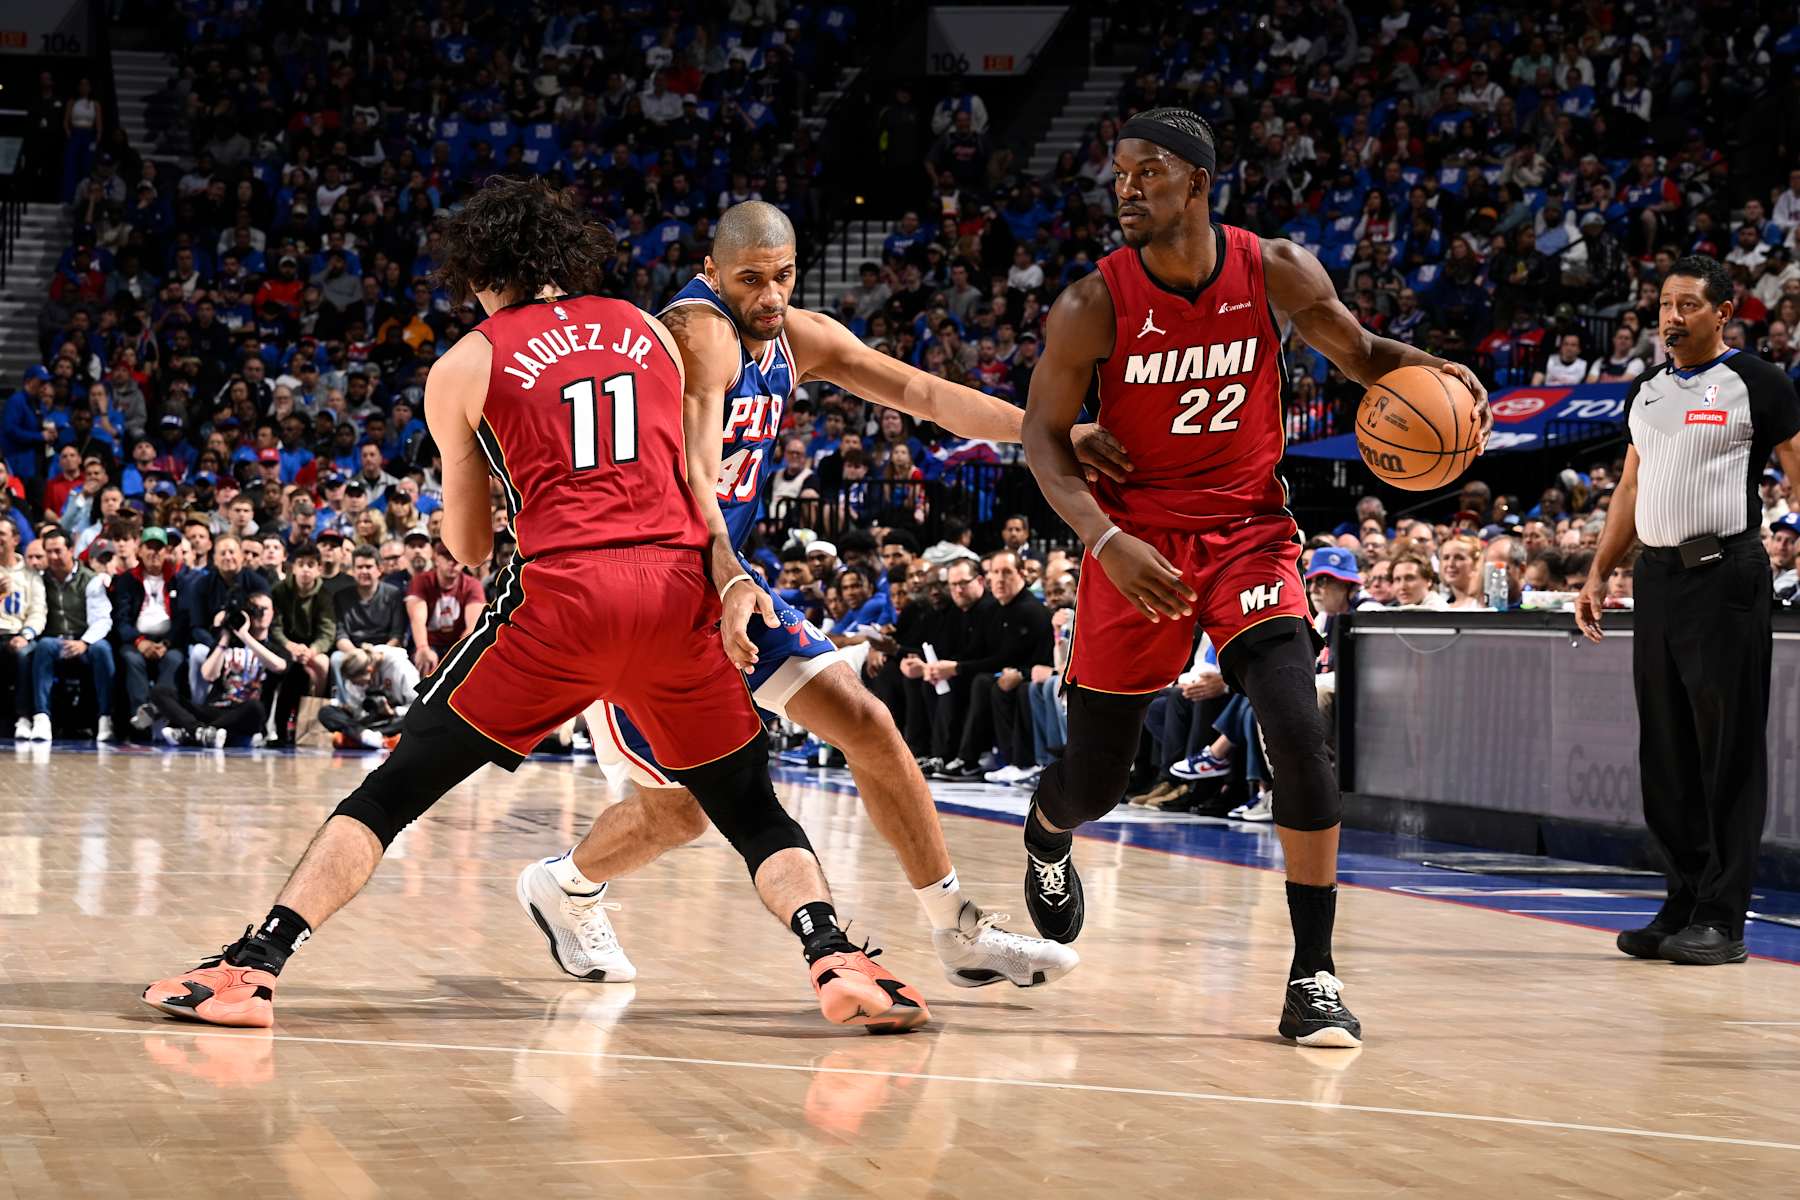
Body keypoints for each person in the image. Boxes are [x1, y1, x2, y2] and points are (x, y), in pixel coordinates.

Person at [145, 178, 930, 1034]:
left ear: (478, 273)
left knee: (390, 794)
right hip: (675, 595)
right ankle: (835, 958)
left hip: (564, 602)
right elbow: (696, 473)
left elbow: (473, 549)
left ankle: (254, 968)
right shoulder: (650, 330)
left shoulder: (467, 361)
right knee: (752, 809)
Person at [552, 201, 1124, 990]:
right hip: (641, 594)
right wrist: (728, 573)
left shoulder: (798, 337)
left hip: (727, 584)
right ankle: (566, 885)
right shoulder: (699, 332)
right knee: (683, 810)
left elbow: (920, 391)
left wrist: (1047, 434)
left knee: (868, 721)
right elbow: (693, 476)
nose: (769, 296)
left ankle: (956, 928)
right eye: (750, 279)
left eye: (782, 277)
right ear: (712, 272)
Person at [1017, 108, 1490, 1047]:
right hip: (1136, 543)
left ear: (1197, 180)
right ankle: (1045, 827)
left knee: (1299, 734)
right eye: (1118, 173)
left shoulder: (1273, 267)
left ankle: (1313, 973)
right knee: (1098, 782)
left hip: (1250, 535)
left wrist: (1437, 369)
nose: (1125, 188)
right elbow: (1040, 438)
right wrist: (1107, 542)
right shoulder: (1091, 303)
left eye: (1146, 172)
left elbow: (1360, 356)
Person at [1577, 255, 1800, 966]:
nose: (1671, 316)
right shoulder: (1646, 392)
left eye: (1688, 305)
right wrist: (1597, 570)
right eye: (1665, 304)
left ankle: (1723, 917)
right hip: (1657, 579)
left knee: (1726, 746)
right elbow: (1630, 487)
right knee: (1666, 750)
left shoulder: (1757, 382)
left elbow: (1797, 465)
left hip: (1725, 576)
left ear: (1723, 312)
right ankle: (1680, 899)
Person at [21, 526, 115, 742]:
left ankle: (105, 718)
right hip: (56, 640)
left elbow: (102, 619)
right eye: (49, 552)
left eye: (58, 551)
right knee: (44, 645)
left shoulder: (90, 579)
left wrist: (84, 642)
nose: (54, 557)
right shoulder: (41, 580)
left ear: (71, 549)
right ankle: (42, 718)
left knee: (102, 648)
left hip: (84, 639)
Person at [403, 537, 484, 675]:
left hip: (457, 644)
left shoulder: (472, 585)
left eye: (457, 557)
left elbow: (473, 626)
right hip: (430, 644)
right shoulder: (421, 581)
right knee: (426, 661)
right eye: (447, 556)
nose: (452, 562)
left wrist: (457, 654)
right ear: (436, 558)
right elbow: (417, 619)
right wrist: (423, 647)